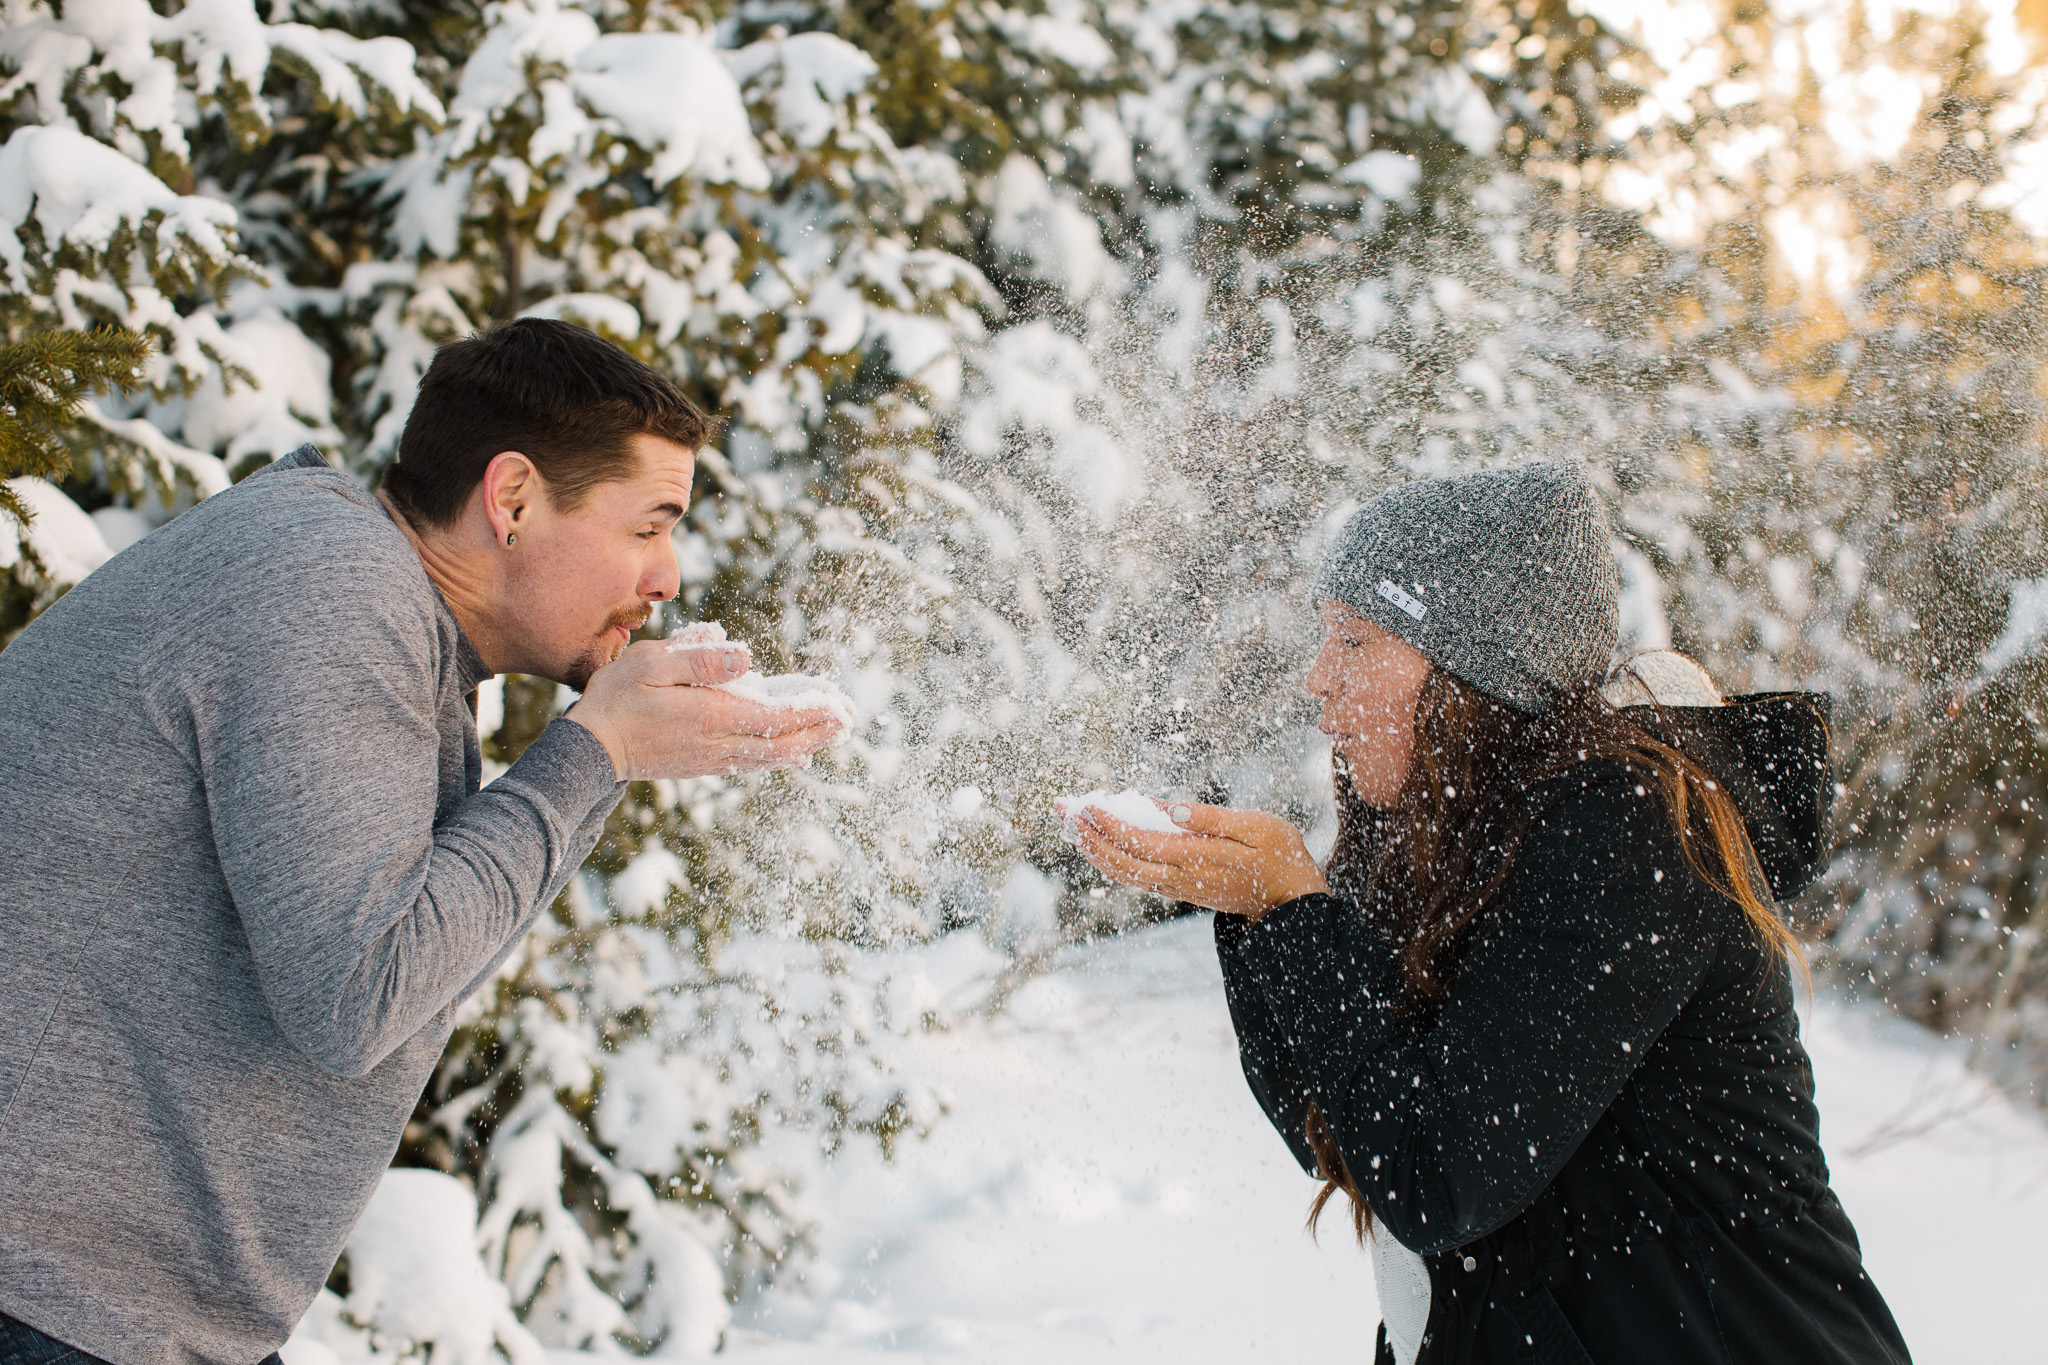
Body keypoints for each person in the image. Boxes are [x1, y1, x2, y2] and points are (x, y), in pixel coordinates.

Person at [0, 319, 844, 1365]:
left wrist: (608, 753)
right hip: (43, 1293)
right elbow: (359, 994)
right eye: (647, 527)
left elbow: (396, 956)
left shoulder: (364, 600)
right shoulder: (329, 589)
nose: (667, 574)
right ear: (513, 500)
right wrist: (597, 752)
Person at [1071, 461, 1911, 1364]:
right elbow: (1349, 1131)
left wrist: (1293, 908)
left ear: (1473, 669)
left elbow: (1436, 1169)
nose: (1319, 678)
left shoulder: (1632, 831)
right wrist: (1254, 910)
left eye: (1355, 641)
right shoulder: (1467, 842)